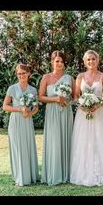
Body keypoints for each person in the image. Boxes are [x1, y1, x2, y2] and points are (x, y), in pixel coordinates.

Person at [70, 50, 103, 186]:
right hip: (83, 113)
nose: (91, 62)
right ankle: (84, 172)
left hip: (99, 112)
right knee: (84, 141)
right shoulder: (80, 76)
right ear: (84, 61)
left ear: (97, 60)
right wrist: (82, 105)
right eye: (88, 60)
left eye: (93, 59)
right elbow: (75, 96)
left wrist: (97, 105)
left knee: (100, 139)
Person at [39, 51, 74, 185]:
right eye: (56, 61)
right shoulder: (46, 77)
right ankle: (54, 173)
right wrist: (55, 99)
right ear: (52, 62)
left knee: (66, 139)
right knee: (54, 141)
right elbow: (40, 96)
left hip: (66, 111)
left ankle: (67, 173)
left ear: (64, 64)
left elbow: (75, 96)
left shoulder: (70, 78)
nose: (59, 63)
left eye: (61, 61)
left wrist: (67, 100)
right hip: (52, 112)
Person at [3, 63, 39, 186]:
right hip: (16, 121)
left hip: (27, 121)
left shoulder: (33, 90)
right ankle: (19, 176)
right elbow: (5, 106)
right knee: (17, 147)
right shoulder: (12, 88)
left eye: (23, 73)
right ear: (16, 75)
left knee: (28, 146)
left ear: (28, 74)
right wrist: (20, 109)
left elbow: (36, 108)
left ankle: (31, 175)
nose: (21, 75)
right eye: (19, 74)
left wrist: (30, 114)